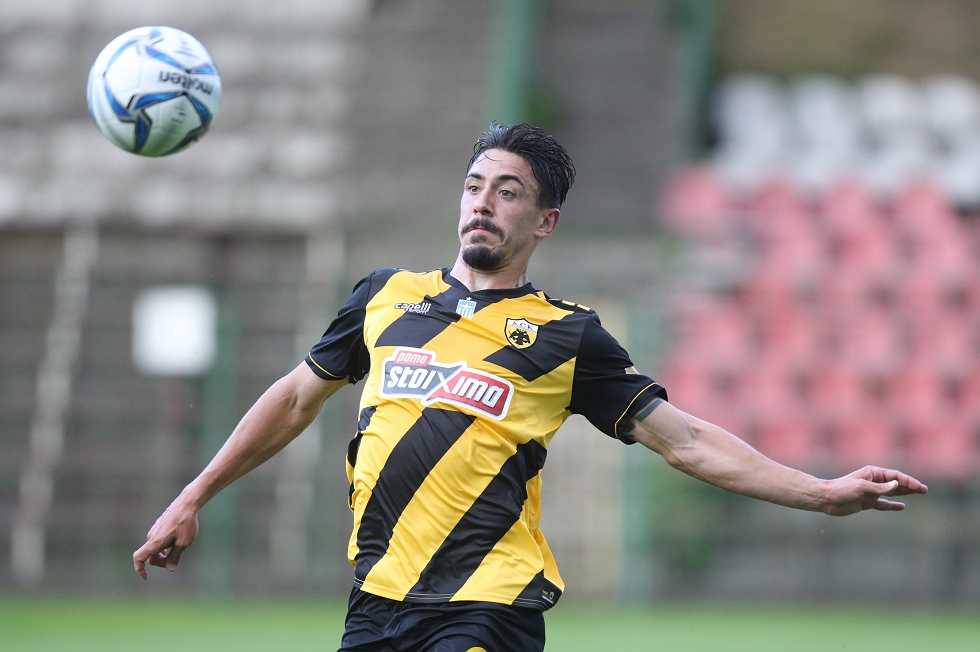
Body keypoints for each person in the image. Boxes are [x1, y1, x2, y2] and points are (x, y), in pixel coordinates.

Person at [133, 123, 928, 651]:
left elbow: (684, 440)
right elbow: (293, 398)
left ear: (544, 221)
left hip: (487, 602)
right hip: (376, 599)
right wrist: (195, 493)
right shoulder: (384, 296)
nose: (483, 202)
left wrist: (821, 492)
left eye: (508, 191)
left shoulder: (566, 335)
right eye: (474, 185)